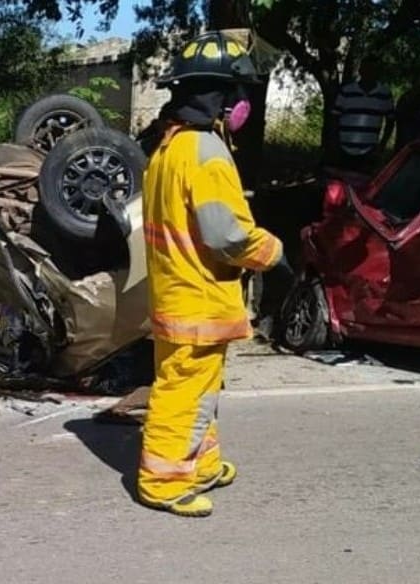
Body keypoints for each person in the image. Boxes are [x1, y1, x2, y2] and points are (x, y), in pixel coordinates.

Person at [139, 30, 290, 517]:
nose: (242, 104)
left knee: (200, 391)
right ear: (220, 97)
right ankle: (162, 483)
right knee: (183, 392)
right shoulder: (205, 152)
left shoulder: (167, 149)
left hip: (176, 292)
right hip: (198, 299)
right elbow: (227, 235)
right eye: (237, 93)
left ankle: (200, 465)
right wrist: (274, 255)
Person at [331, 55, 395, 171]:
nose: (370, 72)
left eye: (374, 69)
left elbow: (390, 120)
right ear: (360, 70)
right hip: (343, 149)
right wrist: (335, 144)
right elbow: (335, 118)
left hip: (369, 151)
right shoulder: (347, 91)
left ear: (378, 72)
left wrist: (381, 146)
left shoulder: (384, 94)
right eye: (367, 68)